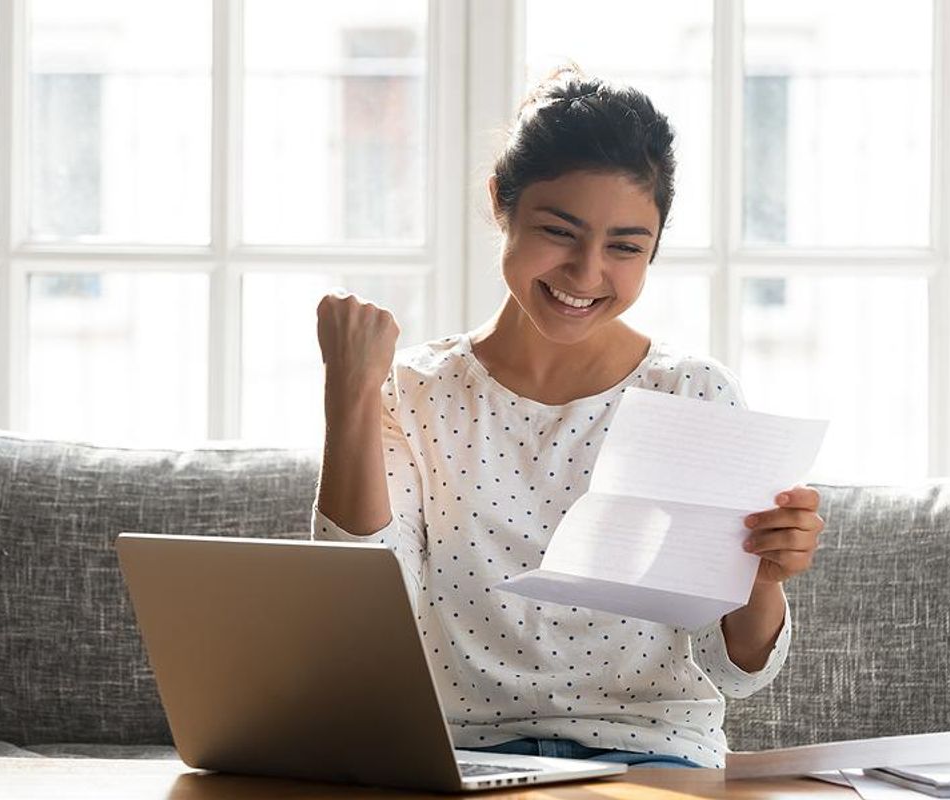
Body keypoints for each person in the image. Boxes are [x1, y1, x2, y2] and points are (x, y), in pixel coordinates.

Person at [312, 66, 824, 769]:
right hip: (463, 754)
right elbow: (359, 617)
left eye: (625, 247)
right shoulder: (414, 392)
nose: (586, 273)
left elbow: (735, 673)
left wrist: (760, 579)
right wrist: (350, 394)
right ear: (501, 203)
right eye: (559, 231)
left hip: (651, 755)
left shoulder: (693, 393)